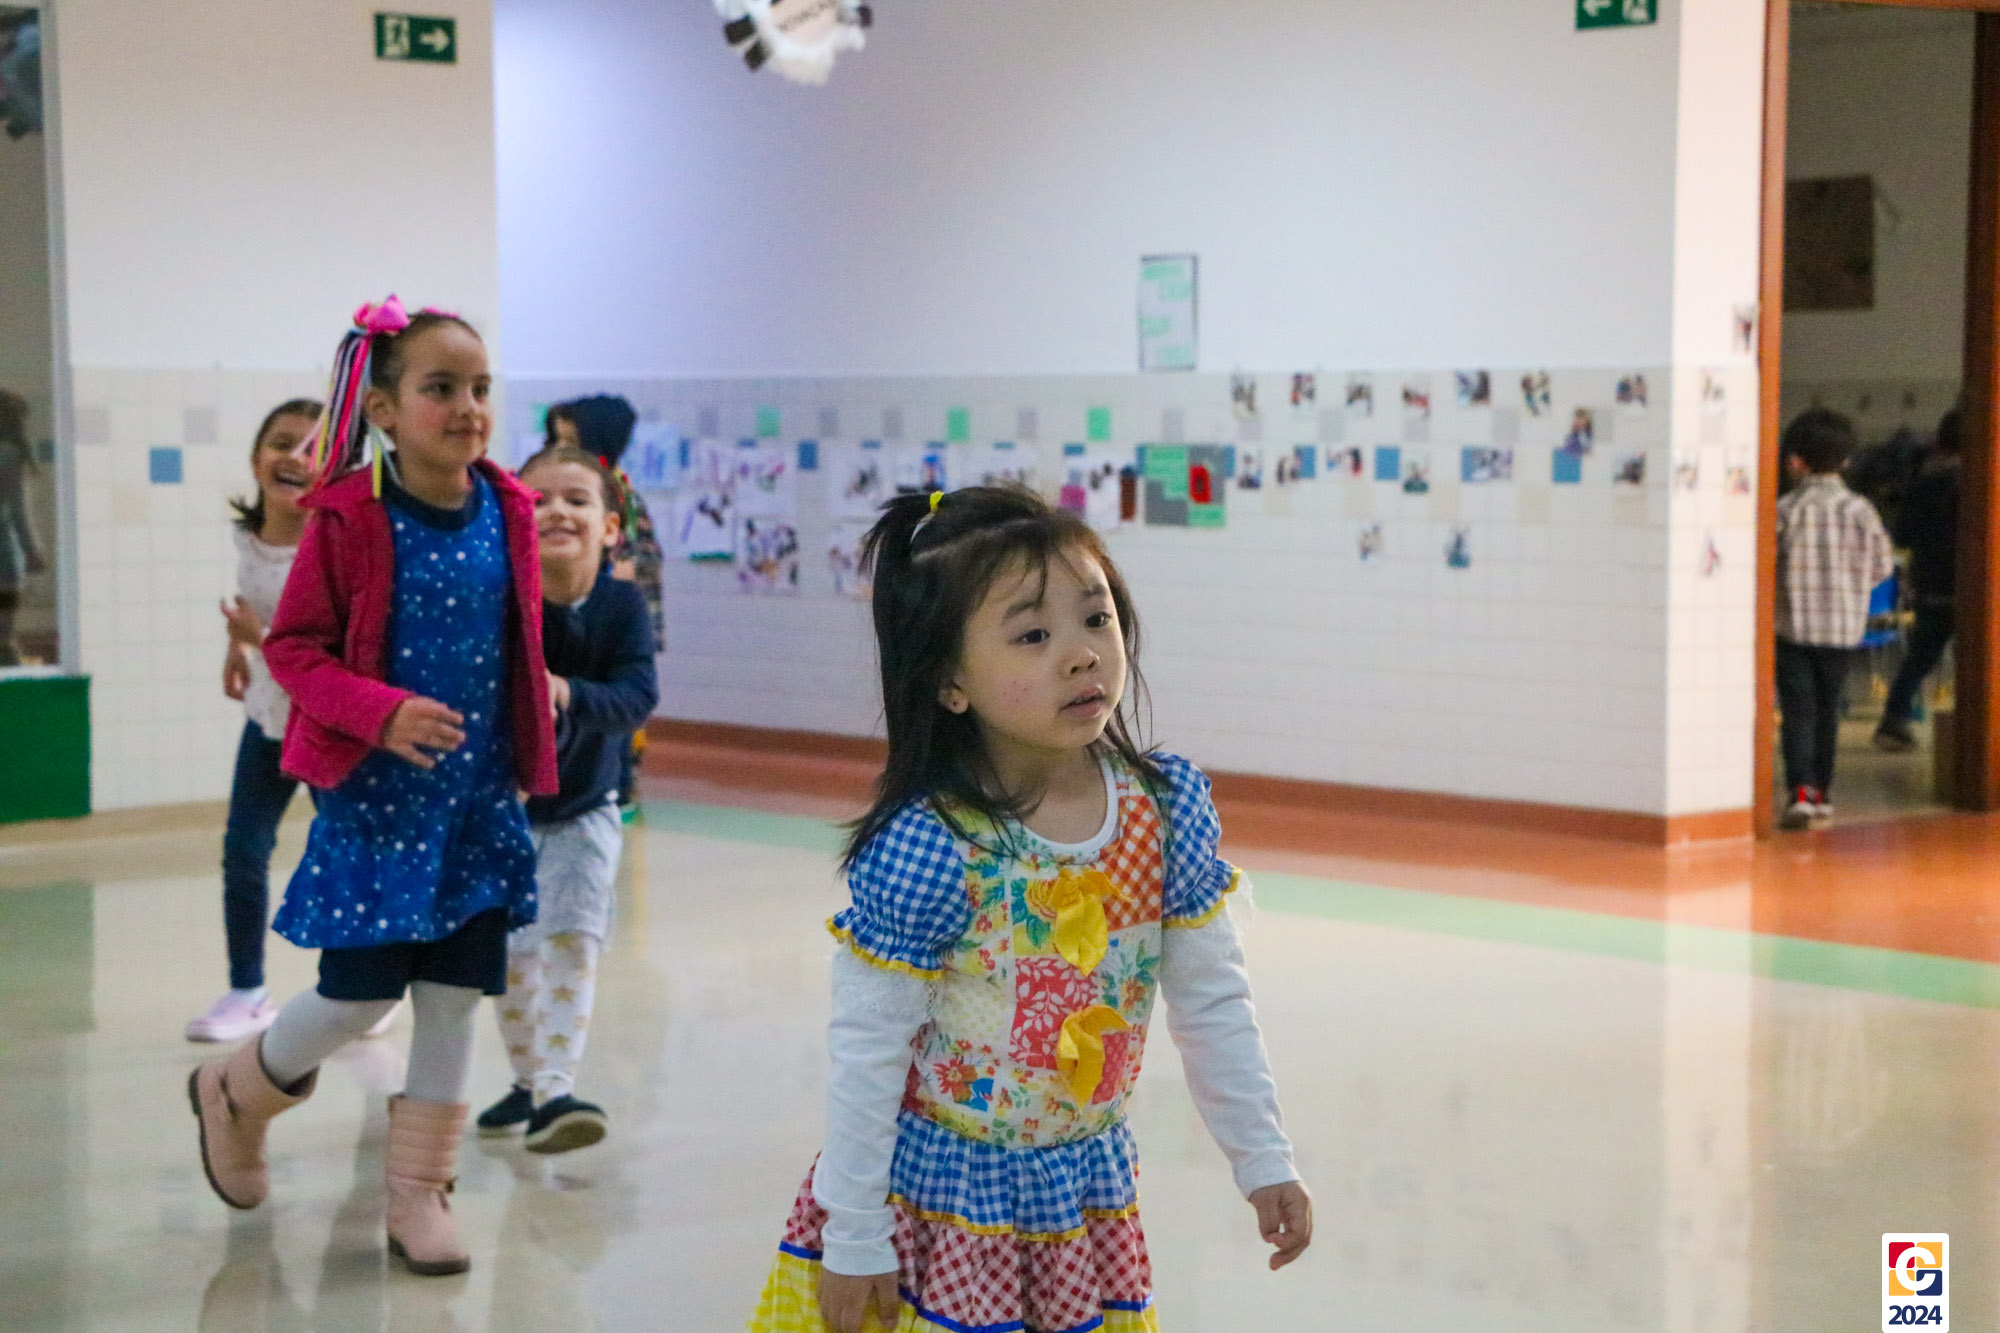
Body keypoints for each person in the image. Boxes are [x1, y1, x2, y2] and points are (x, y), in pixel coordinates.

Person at [750, 486, 1311, 1333]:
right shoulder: (935, 843)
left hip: (1081, 1199)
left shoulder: (1163, 813)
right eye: (1033, 635)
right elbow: (868, 1050)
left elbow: (1212, 1001)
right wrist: (855, 1232)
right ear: (950, 682)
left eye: (1096, 618)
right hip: (942, 1206)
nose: (1082, 655)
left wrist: (1263, 1156)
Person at [186, 297, 557, 1278]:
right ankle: (236, 1089)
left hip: (476, 802)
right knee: (358, 996)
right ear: (384, 409)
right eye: (441, 388)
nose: (468, 407)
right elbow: (296, 649)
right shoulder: (349, 514)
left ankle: (418, 1190)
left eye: (480, 387)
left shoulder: (508, 506)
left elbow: (516, 634)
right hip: (379, 804)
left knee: (454, 996)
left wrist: (539, 719)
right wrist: (381, 713)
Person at [476, 444, 657, 1151]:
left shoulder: (622, 606)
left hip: (587, 810)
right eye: (537, 499)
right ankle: (527, 1082)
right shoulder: (502, 602)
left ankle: (556, 1089)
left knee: (574, 940)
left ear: (609, 527)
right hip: (504, 814)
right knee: (510, 957)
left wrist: (568, 692)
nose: (556, 510)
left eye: (576, 499)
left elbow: (636, 696)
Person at [185, 397, 325, 1042]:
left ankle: (363, 985)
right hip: (268, 716)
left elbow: (325, 656)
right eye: (281, 442)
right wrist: (238, 651)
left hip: (325, 726)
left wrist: (257, 639)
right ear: (255, 458)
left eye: (312, 448)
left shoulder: (330, 551)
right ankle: (247, 991)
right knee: (243, 850)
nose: (295, 457)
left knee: (344, 854)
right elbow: (253, 606)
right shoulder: (250, 538)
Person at [1775, 408, 1894, 831]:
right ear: (1845, 461)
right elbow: (1883, 566)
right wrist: (1851, 587)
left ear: (1795, 462)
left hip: (1792, 629)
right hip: (1843, 631)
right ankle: (1822, 793)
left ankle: (1801, 793)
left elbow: (1766, 565)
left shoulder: (1786, 510)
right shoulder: (1861, 510)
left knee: (1798, 713)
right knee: (1828, 713)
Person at [549, 395, 664, 812]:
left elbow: (630, 566)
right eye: (557, 439)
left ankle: (619, 783)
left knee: (609, 711)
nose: (561, 449)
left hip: (607, 624)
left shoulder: (615, 493)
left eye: (570, 439)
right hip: (578, 619)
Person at [1876, 406, 1962, 752]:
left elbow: (1903, 537)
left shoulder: (1921, 485)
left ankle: (1894, 720)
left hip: (1930, 583)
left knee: (1921, 657)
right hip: (1975, 586)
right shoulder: (1983, 483)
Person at [0, 388, 48, 666]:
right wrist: (32, 550)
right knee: (3, 634)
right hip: (3, 553)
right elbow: (18, 510)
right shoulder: (9, 454)